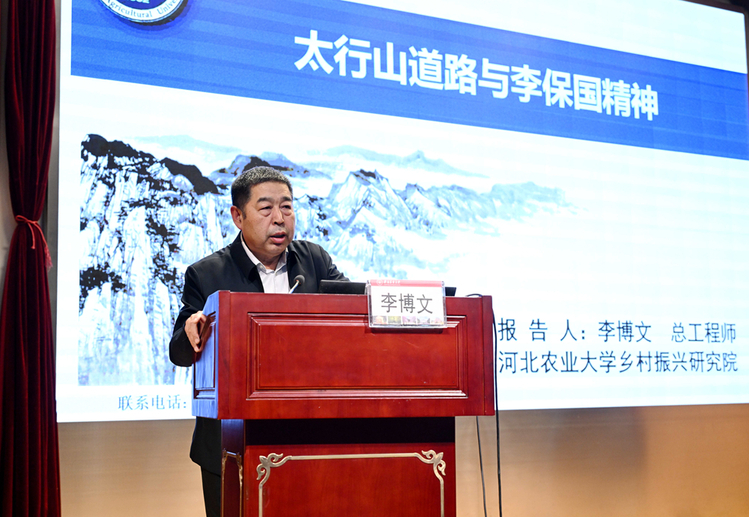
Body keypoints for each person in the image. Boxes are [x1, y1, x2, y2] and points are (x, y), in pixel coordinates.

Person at [169, 166, 347, 517]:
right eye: (266, 209)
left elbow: (350, 314)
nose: (279, 219)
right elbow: (179, 352)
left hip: (306, 438)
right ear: (238, 216)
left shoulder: (315, 261)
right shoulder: (207, 274)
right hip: (230, 446)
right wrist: (192, 330)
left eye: (287, 207)